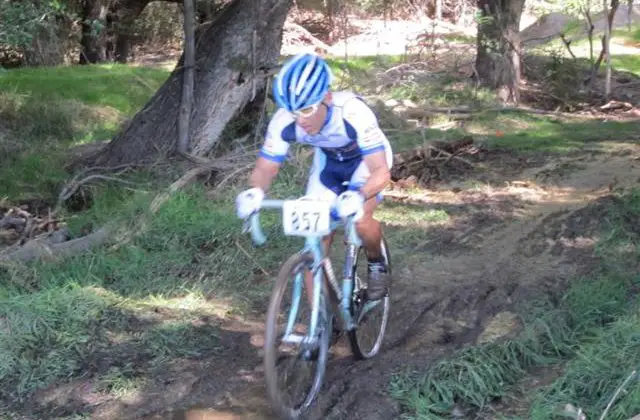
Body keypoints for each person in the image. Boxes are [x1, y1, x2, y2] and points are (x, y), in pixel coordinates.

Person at [235, 52, 393, 301]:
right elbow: (266, 168)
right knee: (316, 239)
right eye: (293, 111)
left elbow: (381, 172)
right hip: (328, 164)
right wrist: (255, 191)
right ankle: (322, 319)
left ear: (327, 97)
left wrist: (359, 195)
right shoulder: (284, 120)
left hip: (365, 162)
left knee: (361, 218)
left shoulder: (353, 112)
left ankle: (377, 262)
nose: (301, 120)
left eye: (307, 109)